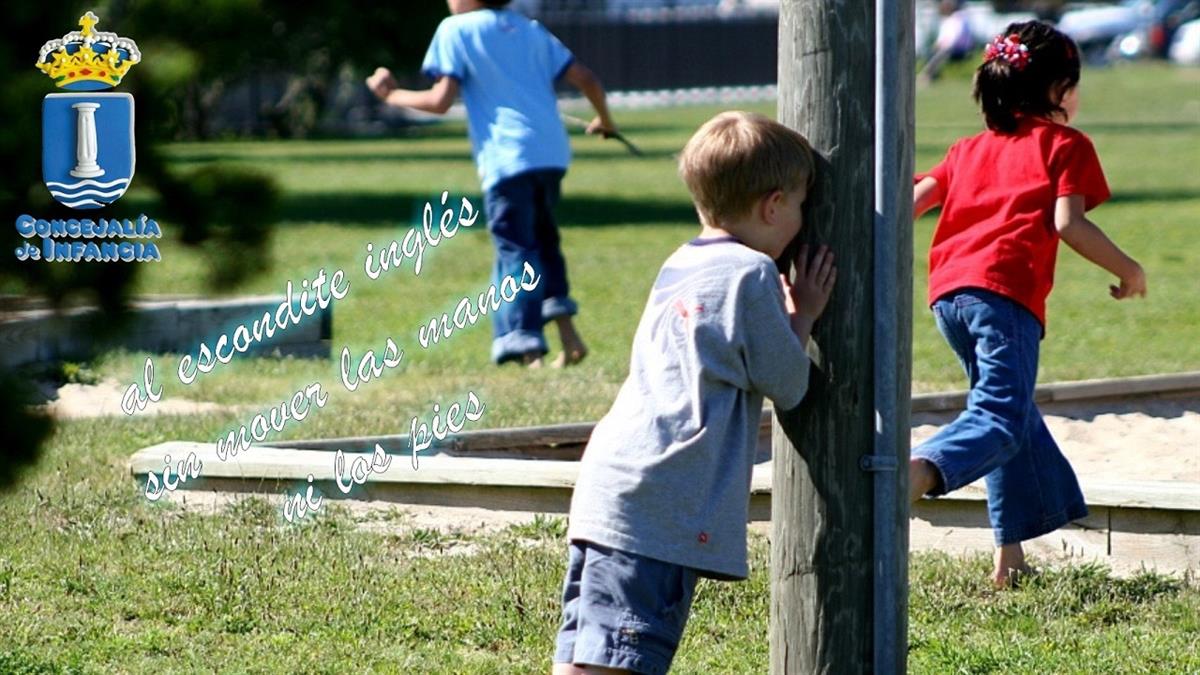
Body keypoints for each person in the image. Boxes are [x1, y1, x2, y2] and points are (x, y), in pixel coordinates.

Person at [552, 111, 836, 675]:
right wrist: (801, 317)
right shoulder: (751, 273)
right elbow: (789, 383)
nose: (803, 224)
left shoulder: (682, 260)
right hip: (661, 499)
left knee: (589, 653)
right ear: (773, 205)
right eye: (802, 207)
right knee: (622, 657)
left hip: (616, 484)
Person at [909, 21, 1147, 588]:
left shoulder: (967, 149)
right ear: (1058, 90)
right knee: (999, 416)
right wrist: (1128, 268)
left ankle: (1008, 559)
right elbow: (1069, 223)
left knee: (1012, 418)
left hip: (949, 298)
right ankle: (910, 476)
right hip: (1004, 295)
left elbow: (912, 201)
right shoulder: (1066, 146)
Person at [367, 0, 617, 367]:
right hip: (550, 155)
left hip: (506, 158)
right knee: (544, 241)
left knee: (517, 250)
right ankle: (569, 336)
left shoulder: (456, 30)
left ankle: (527, 347)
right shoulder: (530, 29)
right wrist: (605, 121)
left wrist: (391, 96)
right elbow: (587, 78)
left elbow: (440, 101)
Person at [919, 0, 975, 85]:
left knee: (942, 53)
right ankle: (932, 75)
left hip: (959, 49)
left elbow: (955, 37)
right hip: (949, 48)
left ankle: (926, 75)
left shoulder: (958, 18)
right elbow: (943, 38)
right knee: (931, 52)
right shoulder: (948, 19)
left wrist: (943, 45)